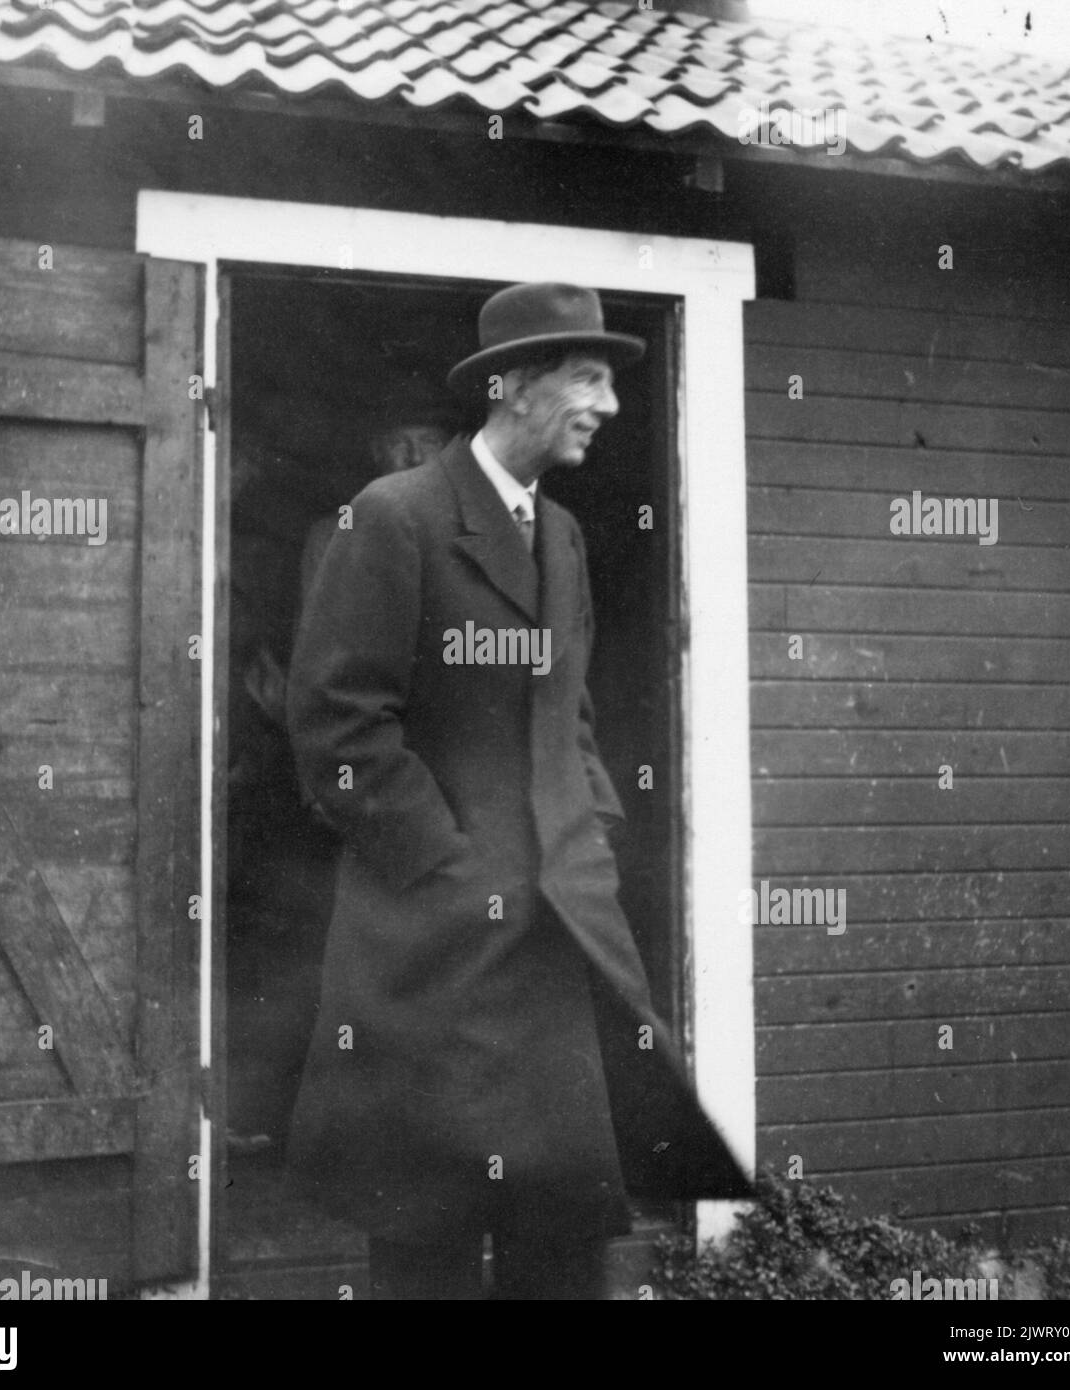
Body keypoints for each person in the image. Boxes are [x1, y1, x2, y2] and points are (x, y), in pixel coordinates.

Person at [286, 282, 750, 1301]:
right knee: (427, 1243)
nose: (610, 404)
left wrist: (586, 837)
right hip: (428, 957)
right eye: (588, 378)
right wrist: (453, 864)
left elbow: (569, 716)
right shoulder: (393, 518)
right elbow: (337, 727)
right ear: (514, 387)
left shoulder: (563, 538)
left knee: (560, 1241)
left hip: (552, 953)